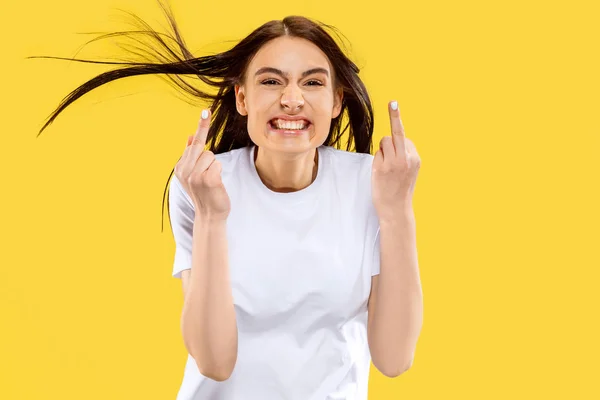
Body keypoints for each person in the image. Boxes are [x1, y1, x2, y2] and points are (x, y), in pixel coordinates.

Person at [33, 1, 423, 398]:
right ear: (241, 98)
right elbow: (214, 362)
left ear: (337, 102)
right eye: (271, 82)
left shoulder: (373, 184)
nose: (292, 99)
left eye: (312, 82)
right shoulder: (202, 184)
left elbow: (394, 359)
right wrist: (210, 217)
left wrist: (396, 212)